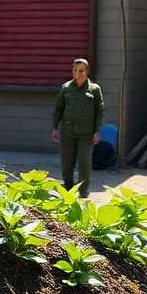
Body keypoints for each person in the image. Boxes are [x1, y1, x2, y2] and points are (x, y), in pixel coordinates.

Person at [50, 58, 104, 198]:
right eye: (75, 70)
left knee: (84, 164)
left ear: (87, 72)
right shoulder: (66, 88)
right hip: (67, 132)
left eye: (81, 71)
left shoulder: (94, 89)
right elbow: (58, 109)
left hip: (86, 134)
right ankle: (68, 189)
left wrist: (97, 131)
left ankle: (84, 192)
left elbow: (100, 111)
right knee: (67, 163)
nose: (78, 73)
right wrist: (55, 127)